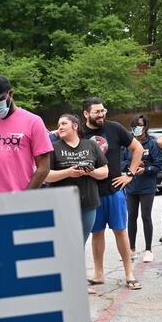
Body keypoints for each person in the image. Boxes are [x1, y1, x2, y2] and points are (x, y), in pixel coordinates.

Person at [82, 98, 144, 290]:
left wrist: (130, 175)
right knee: (97, 233)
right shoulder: (80, 132)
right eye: (96, 112)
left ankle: (129, 273)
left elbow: (138, 148)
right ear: (86, 114)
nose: (101, 115)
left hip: (114, 190)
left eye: (103, 111)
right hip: (91, 193)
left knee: (120, 231)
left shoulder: (114, 128)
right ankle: (99, 274)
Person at [45, 114, 109, 293]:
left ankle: (74, 281)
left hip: (88, 202)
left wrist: (91, 172)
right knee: (66, 243)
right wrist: (68, 173)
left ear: (75, 125)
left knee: (80, 242)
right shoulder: (53, 147)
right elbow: (46, 175)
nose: (60, 127)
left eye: (64, 123)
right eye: (58, 124)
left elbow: (105, 171)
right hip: (63, 204)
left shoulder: (91, 145)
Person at [0, 74, 53, 194]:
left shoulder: (33, 121)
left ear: (10, 94)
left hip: (21, 198)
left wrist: (25, 198)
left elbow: (44, 168)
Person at [123, 114, 162, 263]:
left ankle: (148, 250)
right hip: (131, 185)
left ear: (145, 126)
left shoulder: (152, 144)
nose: (136, 128)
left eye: (139, 125)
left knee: (146, 216)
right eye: (134, 126)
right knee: (131, 217)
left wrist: (146, 169)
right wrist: (131, 167)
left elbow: (159, 165)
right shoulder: (127, 144)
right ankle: (131, 249)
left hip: (147, 186)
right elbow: (121, 163)